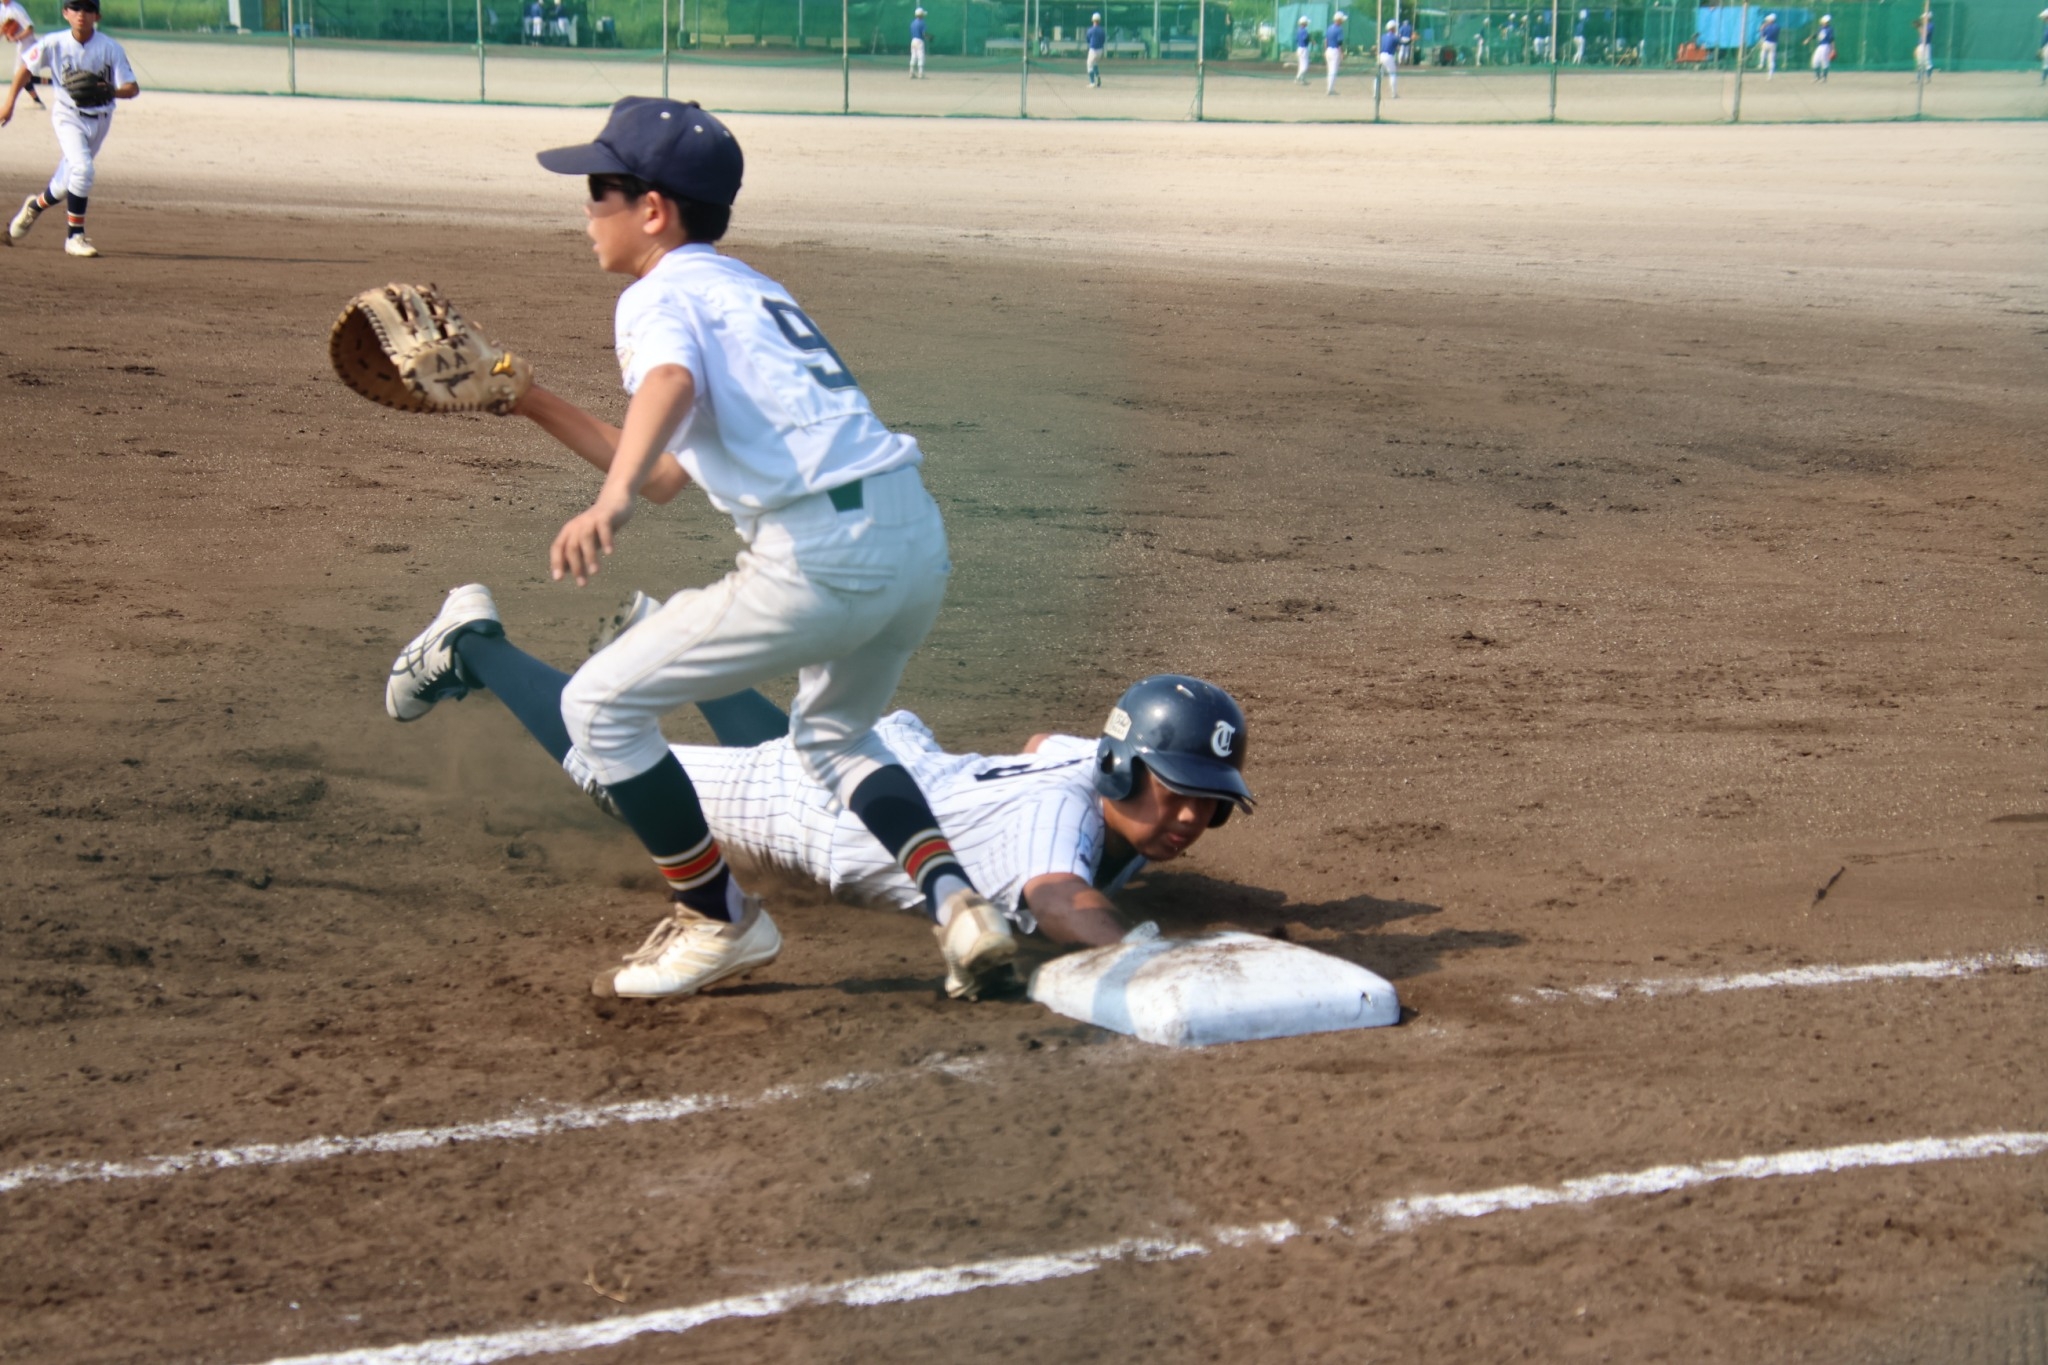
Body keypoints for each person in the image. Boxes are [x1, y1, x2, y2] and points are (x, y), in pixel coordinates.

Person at [387, 98, 1019, 1002]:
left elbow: (669, 393)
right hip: (912, 539)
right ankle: (962, 907)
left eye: (600, 189)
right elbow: (665, 472)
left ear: (654, 209)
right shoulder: (749, 289)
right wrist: (517, 392)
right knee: (834, 737)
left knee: (599, 705)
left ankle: (720, 918)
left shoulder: (658, 293)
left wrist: (605, 502)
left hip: (819, 555)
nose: (586, 208)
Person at [387, 590, 1256, 991]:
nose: (1188, 817)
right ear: (1117, 766)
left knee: (792, 747)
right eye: (1173, 790)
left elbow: (1038, 745)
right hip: (815, 815)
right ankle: (472, 644)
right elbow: (1061, 896)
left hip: (895, 764)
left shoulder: (1084, 767)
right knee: (612, 770)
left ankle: (673, 647)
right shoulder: (1062, 816)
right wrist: (1149, 961)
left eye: (1206, 802)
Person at [1, 0, 135, 259]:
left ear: (97, 15)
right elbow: (25, 70)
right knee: (83, 170)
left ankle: (35, 205)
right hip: (67, 117)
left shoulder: (110, 48)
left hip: (101, 119)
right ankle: (75, 237)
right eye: (74, 8)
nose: (81, 14)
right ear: (65, 13)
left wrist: (112, 90)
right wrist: (8, 105)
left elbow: (132, 88)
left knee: (66, 184)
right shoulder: (54, 43)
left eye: (87, 9)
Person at [0, 2, 45, 110]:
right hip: (22, 46)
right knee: (25, 76)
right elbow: (3, 28)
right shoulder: (3, 8)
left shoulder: (16, 8)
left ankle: (38, 101)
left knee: (20, 75)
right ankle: (38, 101)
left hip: (28, 45)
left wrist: (16, 37)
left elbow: (30, 28)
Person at [1323, 10, 1345, 93]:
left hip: (1328, 50)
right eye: (1342, 19)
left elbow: (1326, 40)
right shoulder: (1339, 29)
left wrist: (1325, 50)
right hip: (1335, 50)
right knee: (1333, 71)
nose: (1343, 21)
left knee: (1329, 70)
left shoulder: (1329, 28)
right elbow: (1339, 43)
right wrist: (1342, 53)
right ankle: (1330, 89)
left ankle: (1330, 88)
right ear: (1339, 20)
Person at [1377, 19, 1399, 94]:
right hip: (1388, 56)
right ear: (1393, 28)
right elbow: (1403, 43)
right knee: (1392, 74)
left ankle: (1375, 93)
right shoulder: (1394, 37)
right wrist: (1411, 39)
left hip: (1380, 56)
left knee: (1379, 75)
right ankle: (1394, 93)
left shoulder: (1382, 36)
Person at [1809, 13, 1832, 81]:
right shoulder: (1820, 28)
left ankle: (1824, 77)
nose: (1823, 22)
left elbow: (1832, 39)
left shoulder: (1829, 29)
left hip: (1826, 46)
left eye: (1824, 21)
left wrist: (1833, 49)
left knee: (1824, 61)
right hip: (1820, 46)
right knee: (1815, 61)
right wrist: (1809, 39)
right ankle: (1817, 76)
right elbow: (1816, 35)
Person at [1756, 11, 1779, 77]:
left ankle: (1761, 64)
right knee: (1771, 59)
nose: (1767, 21)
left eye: (1768, 20)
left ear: (1771, 20)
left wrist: (1762, 29)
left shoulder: (1767, 27)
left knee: (1763, 52)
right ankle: (1770, 74)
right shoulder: (1777, 27)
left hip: (1767, 42)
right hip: (1774, 43)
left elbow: (1763, 35)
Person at [1085, 12, 1105, 87]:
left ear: (1092, 20)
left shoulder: (1090, 30)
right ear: (1099, 20)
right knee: (1095, 64)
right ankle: (1098, 77)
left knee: (1089, 65)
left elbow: (1087, 40)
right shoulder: (1102, 30)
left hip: (1093, 49)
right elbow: (1103, 40)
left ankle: (1092, 82)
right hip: (1100, 50)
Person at [1914, 7, 1934, 79]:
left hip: (1926, 45)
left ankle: (1928, 77)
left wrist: (1919, 27)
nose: (1923, 19)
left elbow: (1925, 33)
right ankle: (1918, 78)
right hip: (1920, 44)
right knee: (1919, 61)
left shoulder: (1930, 25)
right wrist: (1919, 27)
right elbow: (1921, 34)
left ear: (1928, 18)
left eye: (1925, 17)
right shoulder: (1924, 25)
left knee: (1927, 62)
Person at [1293, 15, 1312, 84]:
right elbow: (1306, 39)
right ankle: (1297, 78)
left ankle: (1302, 79)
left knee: (1301, 65)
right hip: (1304, 49)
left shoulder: (1298, 30)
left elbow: (1296, 40)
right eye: (1306, 22)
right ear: (1304, 23)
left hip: (1299, 48)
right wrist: (1311, 40)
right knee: (1305, 66)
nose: (1307, 24)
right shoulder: (1304, 31)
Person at [908, 5, 927, 77]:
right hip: (919, 41)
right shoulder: (922, 23)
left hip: (913, 40)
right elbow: (923, 34)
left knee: (913, 56)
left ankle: (911, 72)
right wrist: (929, 37)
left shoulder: (913, 23)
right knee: (920, 56)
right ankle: (921, 73)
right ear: (921, 15)